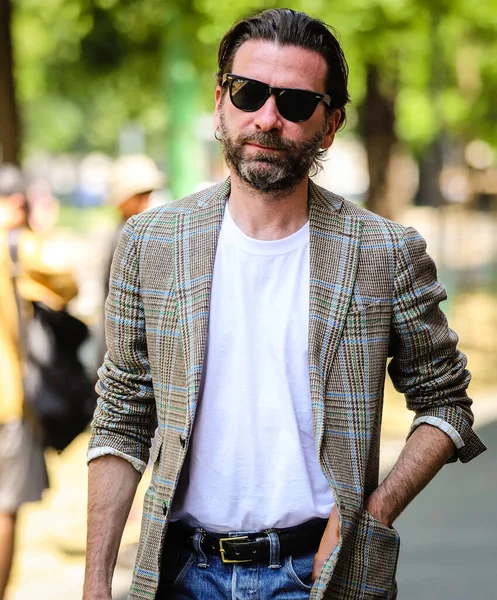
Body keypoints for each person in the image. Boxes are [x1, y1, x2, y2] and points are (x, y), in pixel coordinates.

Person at [84, 9, 486, 600]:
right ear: (221, 101)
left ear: (330, 125)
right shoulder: (153, 243)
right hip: (179, 575)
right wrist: (95, 586)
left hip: (322, 576)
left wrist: (370, 515)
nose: (267, 119)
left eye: (296, 103)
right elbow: (121, 419)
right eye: (249, 94)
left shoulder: (384, 251)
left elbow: (446, 405)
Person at [0, 164, 77, 599]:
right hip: (7, 401)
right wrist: (35, 230)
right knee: (4, 508)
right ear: (15, 204)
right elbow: (65, 281)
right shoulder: (15, 247)